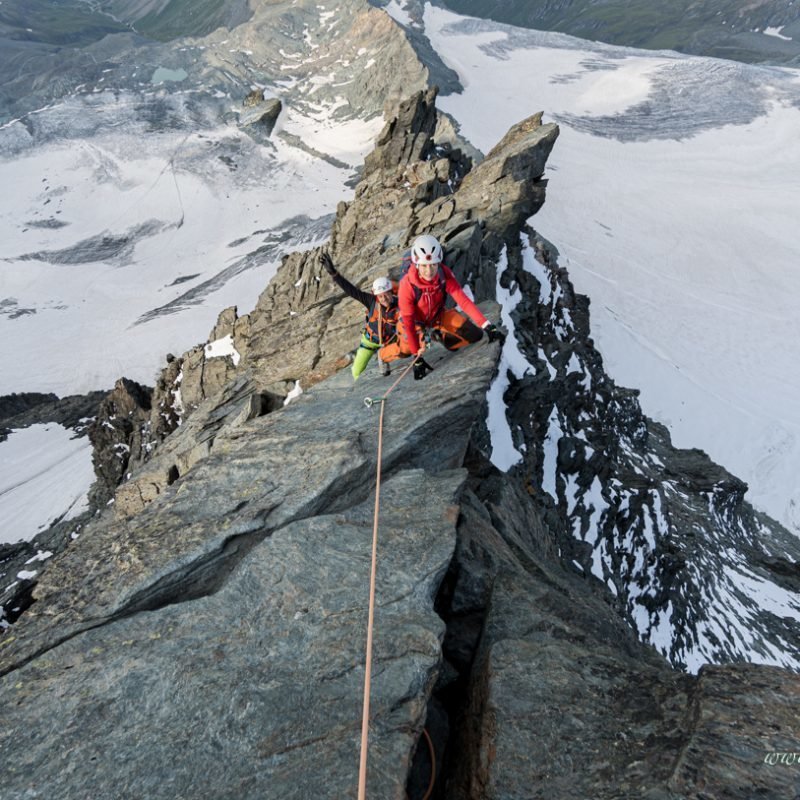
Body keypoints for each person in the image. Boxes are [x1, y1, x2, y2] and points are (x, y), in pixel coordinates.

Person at [378, 234, 506, 379]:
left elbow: (463, 300)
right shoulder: (407, 285)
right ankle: (383, 355)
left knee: (474, 335)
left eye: (433, 264)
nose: (429, 270)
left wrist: (487, 325)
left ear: (438, 263)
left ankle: (441, 337)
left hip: (438, 316)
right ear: (416, 264)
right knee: (405, 349)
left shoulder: (443, 274)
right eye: (424, 266)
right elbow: (407, 321)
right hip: (414, 322)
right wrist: (416, 357)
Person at [320, 251, 399, 380]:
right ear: (376, 296)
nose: (384, 298)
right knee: (356, 372)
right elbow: (352, 291)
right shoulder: (371, 301)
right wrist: (334, 273)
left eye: (386, 294)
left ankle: (384, 356)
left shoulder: (400, 304)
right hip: (369, 342)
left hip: (391, 342)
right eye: (380, 296)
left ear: (391, 292)